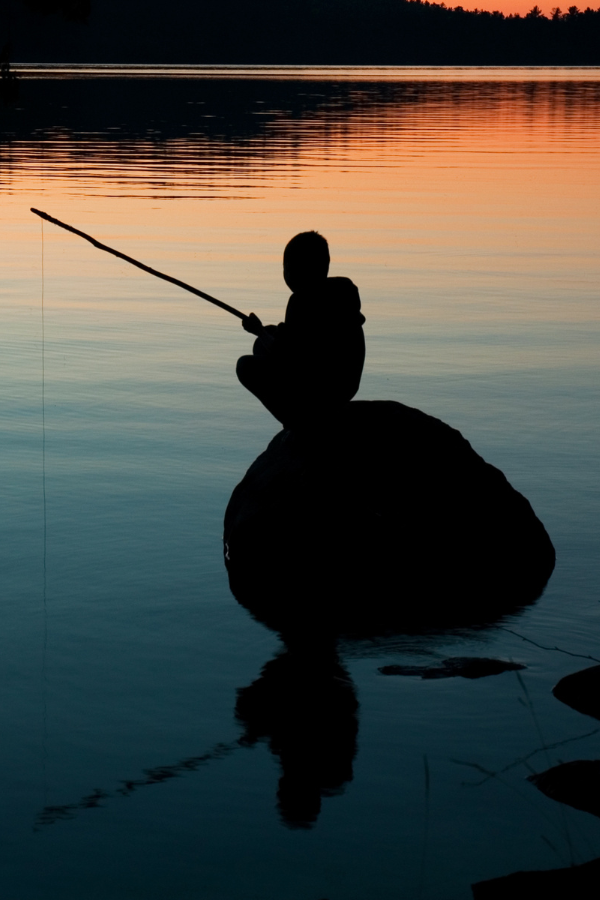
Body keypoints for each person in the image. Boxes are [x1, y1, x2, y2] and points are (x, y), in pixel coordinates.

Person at [236, 231, 366, 429]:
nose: (286, 275)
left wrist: (259, 331)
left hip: (319, 392)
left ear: (299, 270)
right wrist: (267, 332)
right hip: (344, 387)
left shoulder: (301, 301)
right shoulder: (341, 291)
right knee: (264, 340)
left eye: (287, 268)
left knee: (245, 365)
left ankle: (296, 422)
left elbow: (287, 356)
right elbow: (303, 338)